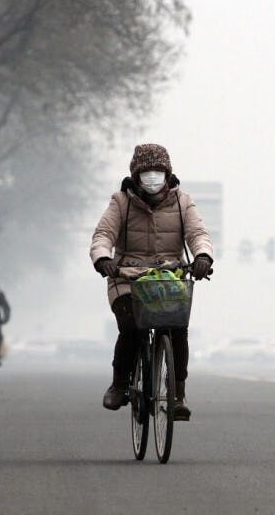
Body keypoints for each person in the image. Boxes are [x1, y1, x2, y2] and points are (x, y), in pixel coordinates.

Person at [90, 143, 214, 420]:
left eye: (158, 171)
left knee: (177, 330)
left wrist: (203, 256)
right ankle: (120, 384)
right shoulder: (120, 202)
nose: (153, 178)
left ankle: (178, 395)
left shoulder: (183, 202)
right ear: (135, 176)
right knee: (131, 327)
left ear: (168, 173)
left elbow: (198, 234)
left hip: (170, 277)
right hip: (127, 277)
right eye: (146, 172)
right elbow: (102, 235)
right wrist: (102, 259)